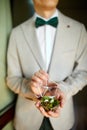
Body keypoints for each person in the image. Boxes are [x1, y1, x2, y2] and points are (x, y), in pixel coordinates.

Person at [6, 0, 87, 130]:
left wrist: (63, 89)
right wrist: (32, 89)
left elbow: (84, 72)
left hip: (63, 119)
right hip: (27, 121)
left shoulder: (79, 29)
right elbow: (12, 79)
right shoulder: (16, 34)